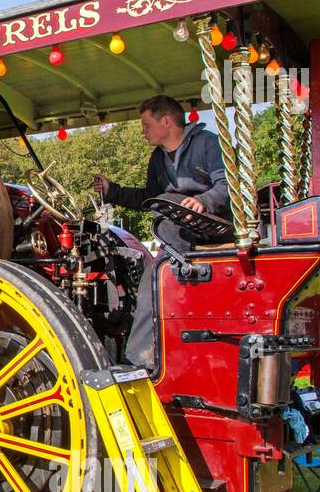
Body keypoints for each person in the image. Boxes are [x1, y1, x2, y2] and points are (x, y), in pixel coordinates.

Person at [91, 95, 229, 369]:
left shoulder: (209, 143)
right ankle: (140, 362)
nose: (143, 131)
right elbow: (150, 198)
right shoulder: (157, 160)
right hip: (176, 237)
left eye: (146, 124)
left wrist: (204, 202)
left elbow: (228, 185)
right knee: (150, 285)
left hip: (214, 230)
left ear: (166, 121)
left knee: (157, 272)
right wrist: (112, 191)